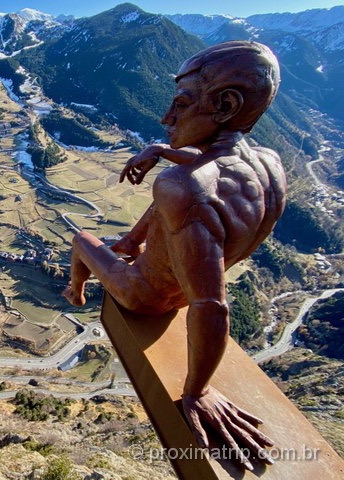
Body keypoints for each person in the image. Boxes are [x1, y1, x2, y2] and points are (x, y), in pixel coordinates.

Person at [62, 41, 286, 471]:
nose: (167, 118)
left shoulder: (183, 185)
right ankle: (128, 243)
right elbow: (212, 162)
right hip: (179, 288)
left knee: (81, 239)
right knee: (171, 194)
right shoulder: (269, 166)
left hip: (146, 295)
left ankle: (75, 291)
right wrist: (162, 151)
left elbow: (212, 304)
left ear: (224, 103)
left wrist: (198, 391)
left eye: (181, 104)